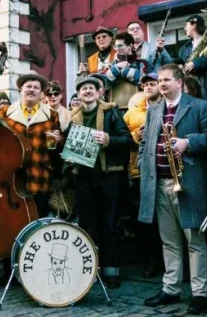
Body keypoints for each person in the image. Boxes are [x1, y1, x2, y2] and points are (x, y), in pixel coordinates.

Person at [138, 64, 207, 315]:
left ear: (179, 82)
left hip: (188, 183)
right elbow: (145, 142)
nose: (161, 83)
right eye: (159, 80)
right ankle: (170, 288)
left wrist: (188, 142)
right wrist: (143, 161)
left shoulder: (199, 106)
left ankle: (200, 293)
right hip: (159, 182)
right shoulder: (154, 109)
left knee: (195, 241)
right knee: (169, 241)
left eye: (167, 79)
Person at [68, 76, 132, 288]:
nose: (87, 91)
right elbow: (67, 146)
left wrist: (109, 140)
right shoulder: (71, 117)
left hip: (108, 176)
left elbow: (128, 141)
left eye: (91, 88)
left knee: (110, 224)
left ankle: (111, 270)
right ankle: (91, 269)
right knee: (88, 226)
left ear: (98, 92)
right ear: (78, 94)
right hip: (84, 177)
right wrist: (68, 156)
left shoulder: (111, 111)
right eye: (83, 89)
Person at [0, 71, 63, 217]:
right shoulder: (4, 113)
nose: (32, 89)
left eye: (36, 87)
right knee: (14, 222)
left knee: (38, 221)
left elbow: (57, 149)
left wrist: (58, 141)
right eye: (28, 86)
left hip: (39, 177)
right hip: (11, 180)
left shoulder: (52, 115)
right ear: (21, 90)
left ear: (41, 93)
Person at [124, 73, 164, 279]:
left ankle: (168, 262)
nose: (148, 87)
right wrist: (134, 137)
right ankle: (151, 260)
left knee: (165, 219)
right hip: (139, 171)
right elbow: (123, 137)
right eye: (145, 84)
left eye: (153, 83)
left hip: (163, 170)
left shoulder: (167, 108)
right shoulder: (133, 112)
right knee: (145, 221)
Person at [179, 15, 207, 103]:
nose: (185, 28)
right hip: (190, 88)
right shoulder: (184, 48)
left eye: (186, 25)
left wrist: (194, 64)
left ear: (194, 25)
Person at [106, 32, 147, 110]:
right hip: (114, 110)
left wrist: (124, 71)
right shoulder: (112, 65)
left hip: (137, 108)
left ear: (130, 46)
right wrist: (117, 67)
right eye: (115, 46)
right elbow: (104, 83)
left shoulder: (142, 63)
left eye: (120, 45)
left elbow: (144, 81)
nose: (117, 49)